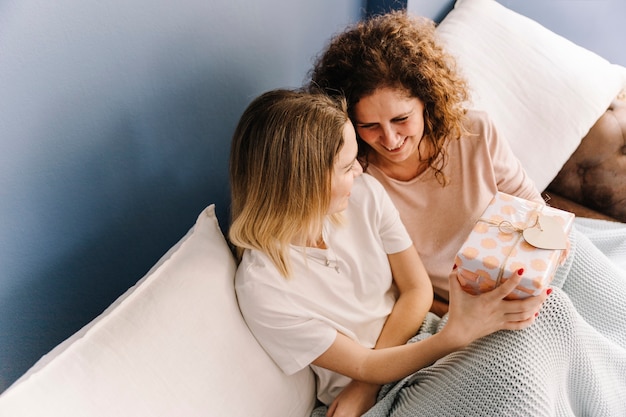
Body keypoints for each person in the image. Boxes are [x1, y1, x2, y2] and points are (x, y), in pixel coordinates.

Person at [228, 88, 626, 417]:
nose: (362, 171)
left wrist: (454, 332)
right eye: (348, 166)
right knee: (514, 381)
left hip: (425, 340)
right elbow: (365, 366)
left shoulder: (364, 196)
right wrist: (458, 333)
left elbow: (416, 289)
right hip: (389, 391)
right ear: (305, 182)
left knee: (551, 313)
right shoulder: (265, 289)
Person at [308, 11, 626, 340]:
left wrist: (551, 249)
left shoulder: (474, 131)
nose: (390, 140)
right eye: (370, 126)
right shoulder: (358, 183)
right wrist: (469, 317)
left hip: (533, 261)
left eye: (401, 119)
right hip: (467, 310)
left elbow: (530, 204)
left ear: (426, 102)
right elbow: (400, 289)